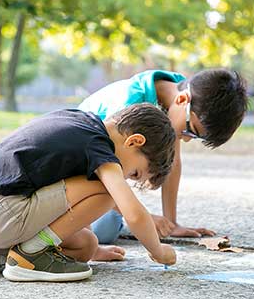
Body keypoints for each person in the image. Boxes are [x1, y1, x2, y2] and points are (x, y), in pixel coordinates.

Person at [0, 103, 176, 282]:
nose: (126, 178)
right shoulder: (100, 148)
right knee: (108, 192)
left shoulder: (81, 123)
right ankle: (30, 255)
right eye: (135, 173)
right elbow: (133, 213)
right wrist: (157, 250)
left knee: (85, 245)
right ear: (134, 141)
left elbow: (69, 194)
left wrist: (95, 250)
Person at [79, 68, 248, 244]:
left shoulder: (179, 97)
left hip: (109, 169)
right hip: (81, 169)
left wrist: (171, 223)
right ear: (183, 100)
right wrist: (143, 218)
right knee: (103, 231)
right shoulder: (128, 105)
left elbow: (173, 162)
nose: (188, 139)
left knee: (112, 220)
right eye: (191, 130)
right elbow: (104, 173)